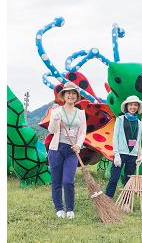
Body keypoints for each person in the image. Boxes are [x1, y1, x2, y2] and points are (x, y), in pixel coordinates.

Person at [47, 82, 87, 219]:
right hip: (57, 149)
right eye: (68, 93)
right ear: (63, 95)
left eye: (73, 93)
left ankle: (70, 208)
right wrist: (54, 117)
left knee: (68, 181)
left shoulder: (81, 113)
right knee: (56, 180)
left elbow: (82, 132)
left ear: (77, 96)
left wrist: (79, 145)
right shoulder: (57, 111)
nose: (71, 95)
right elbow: (51, 131)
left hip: (72, 150)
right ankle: (59, 208)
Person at [105, 96, 142, 200]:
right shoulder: (120, 120)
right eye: (131, 104)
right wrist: (116, 154)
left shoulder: (140, 123)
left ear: (138, 107)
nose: (133, 107)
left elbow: (139, 140)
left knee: (129, 180)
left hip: (133, 154)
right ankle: (108, 199)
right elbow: (115, 137)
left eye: (135, 105)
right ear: (127, 106)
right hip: (121, 153)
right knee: (114, 178)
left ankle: (126, 202)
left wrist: (140, 154)